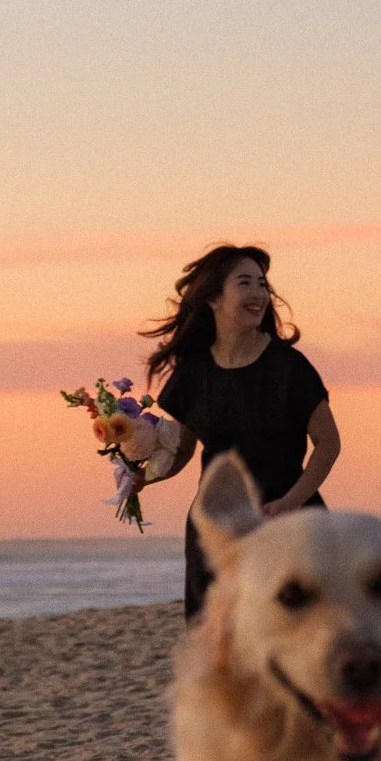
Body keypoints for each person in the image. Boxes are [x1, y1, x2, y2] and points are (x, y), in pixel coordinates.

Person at [134, 244, 342, 620]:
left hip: (288, 525)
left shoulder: (289, 367)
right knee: (219, 647)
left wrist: (289, 504)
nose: (258, 294)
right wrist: (143, 477)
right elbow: (180, 452)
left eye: (262, 284)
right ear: (213, 297)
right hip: (217, 532)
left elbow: (328, 445)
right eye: (244, 283)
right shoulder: (193, 373)